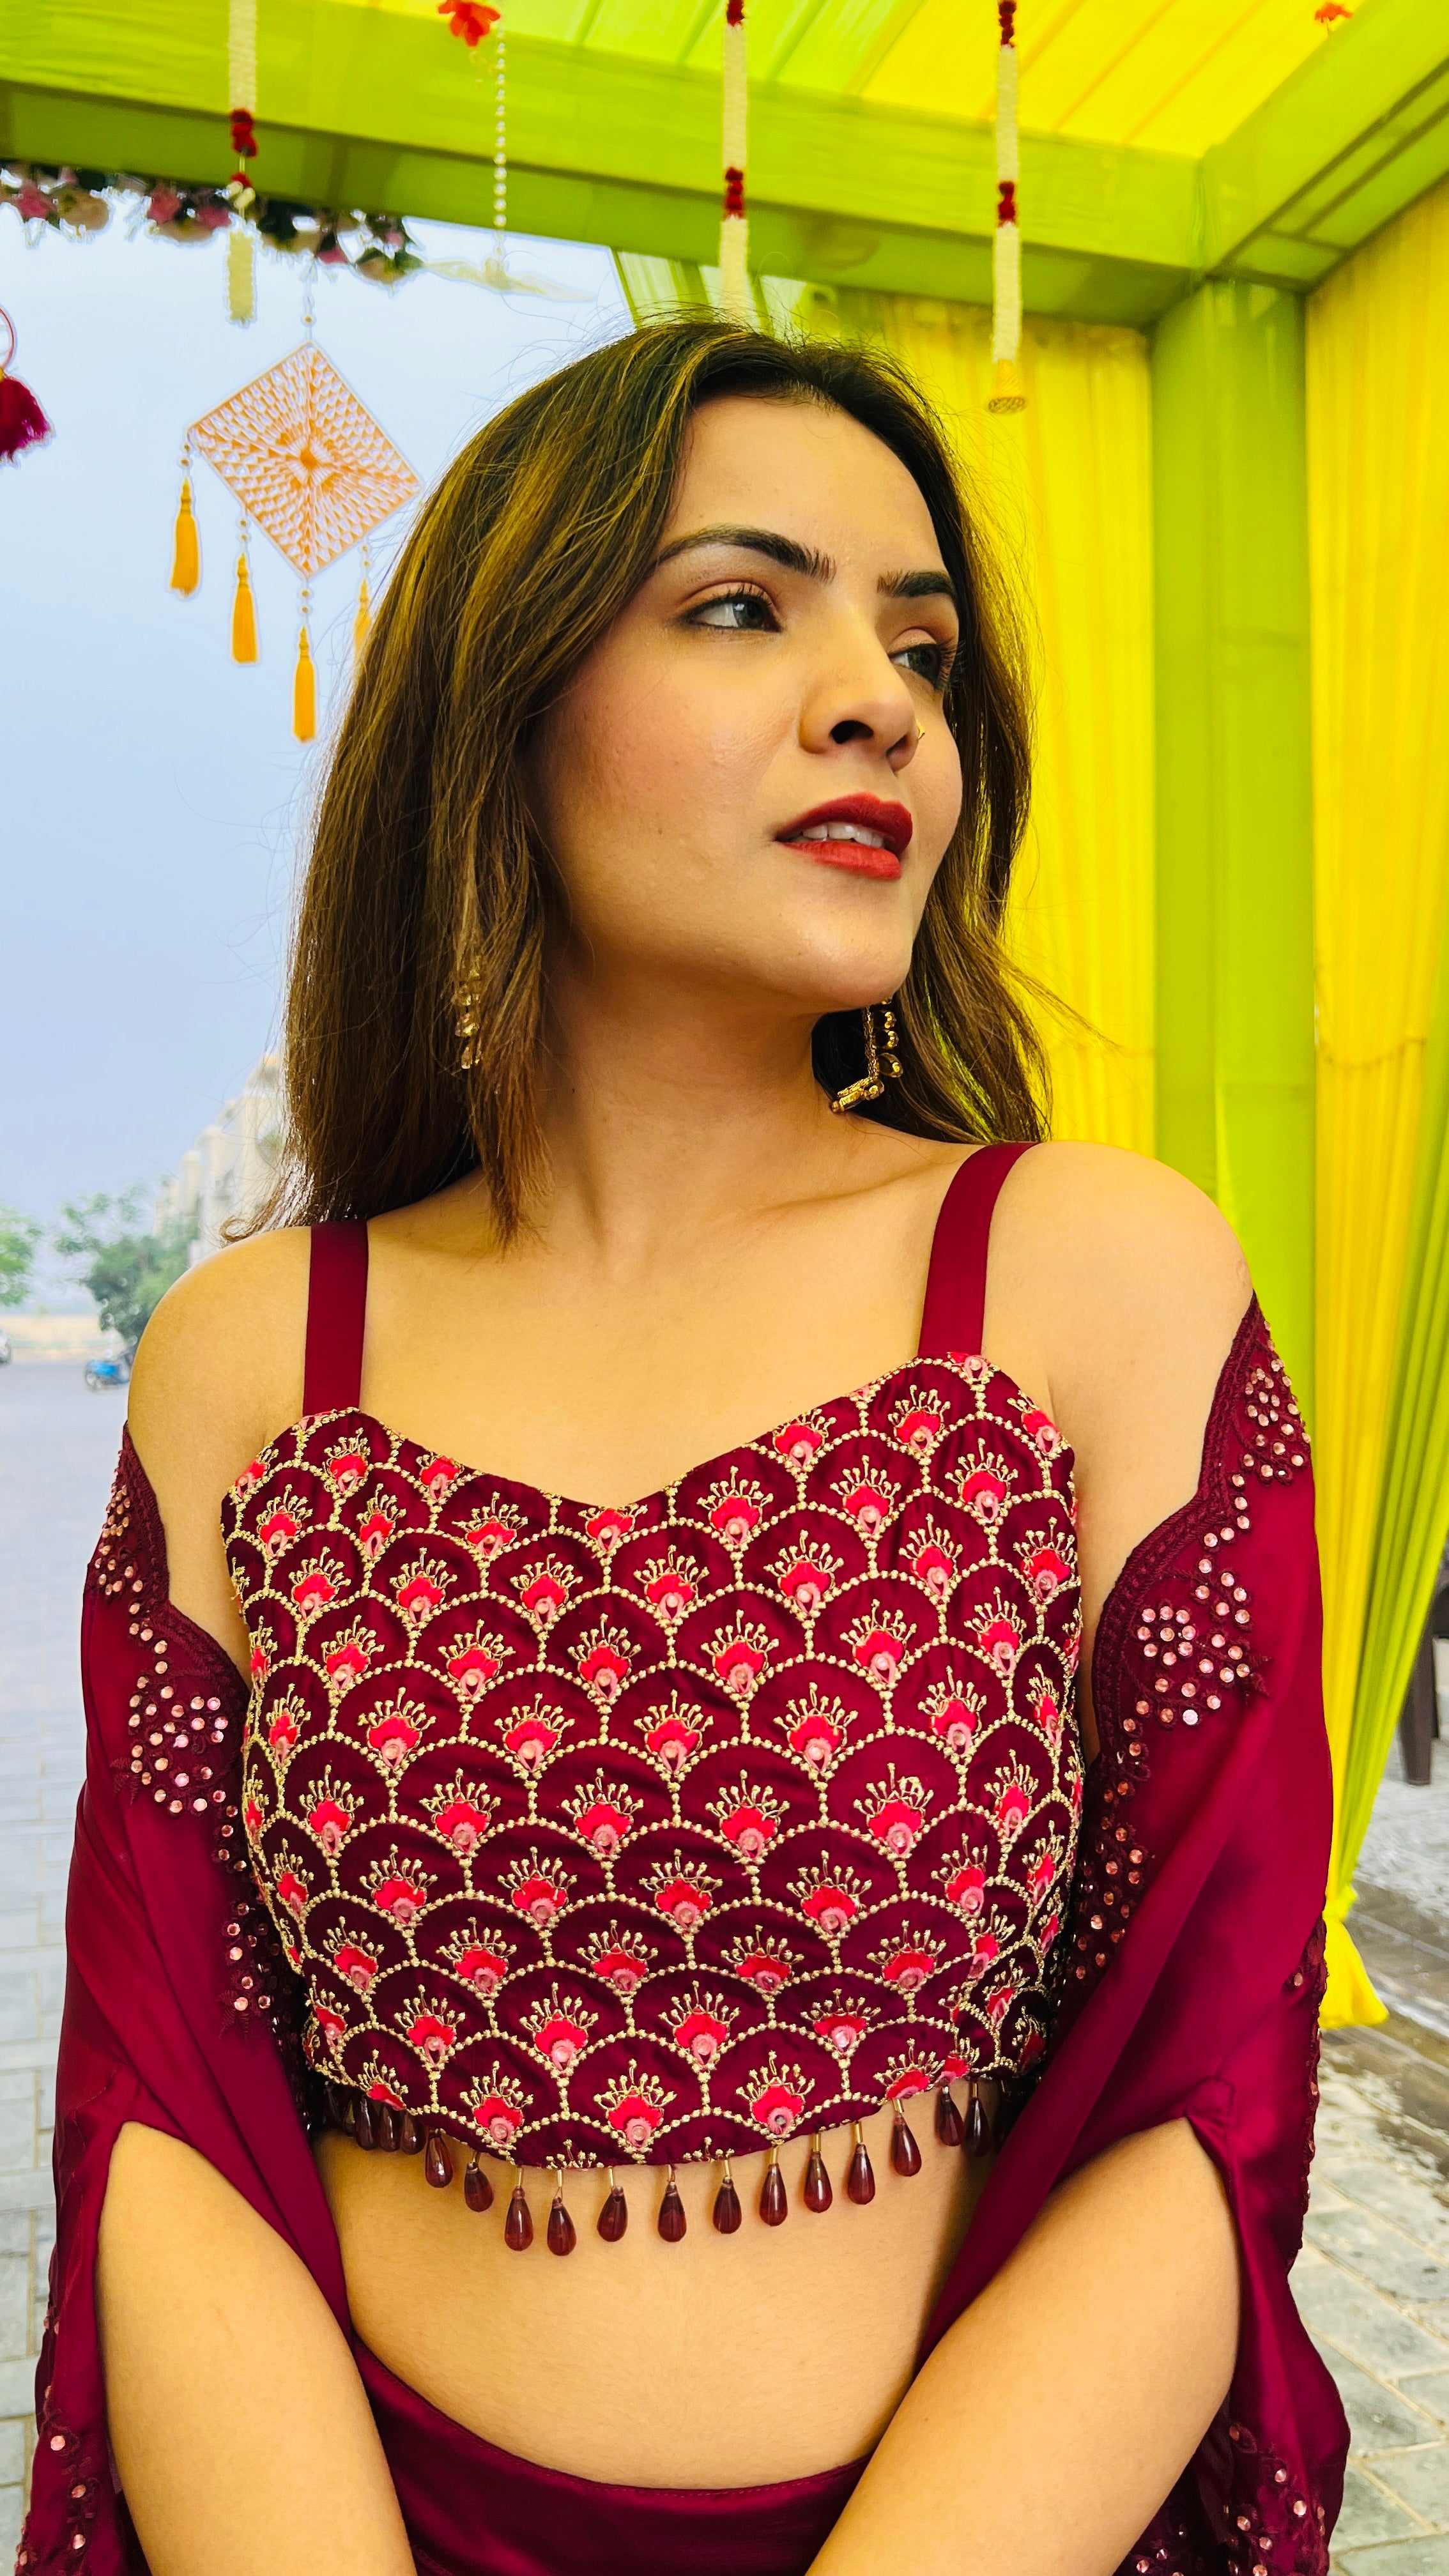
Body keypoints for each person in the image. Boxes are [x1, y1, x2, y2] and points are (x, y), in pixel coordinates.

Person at [24, 320, 1346, 2576]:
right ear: (504, 701)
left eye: (918, 649)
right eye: (743, 606)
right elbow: (169, 2105)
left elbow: (1199, 2080)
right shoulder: (257, 1356)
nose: (879, 704)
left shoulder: (1091, 1279)